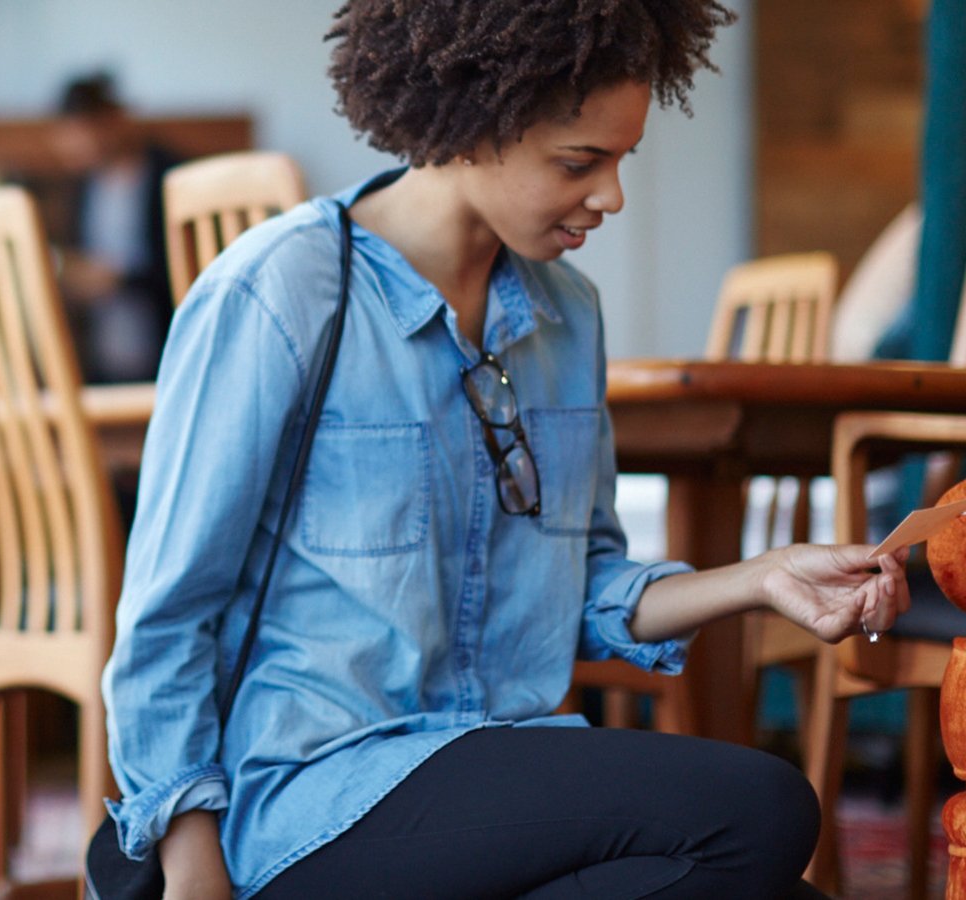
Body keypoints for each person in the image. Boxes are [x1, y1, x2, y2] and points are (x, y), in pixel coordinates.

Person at [101, 2, 909, 898]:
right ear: (472, 119)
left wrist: (761, 579)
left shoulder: (567, 313)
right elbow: (168, 616)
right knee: (759, 809)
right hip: (311, 796)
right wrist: (191, 866)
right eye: (579, 162)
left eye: (621, 159)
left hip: (487, 782)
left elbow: (586, 586)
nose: (611, 197)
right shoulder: (279, 292)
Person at [52, 71, 177, 384]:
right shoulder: (83, 187)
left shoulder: (172, 178)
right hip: (103, 363)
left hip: (167, 356)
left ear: (113, 120)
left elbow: (189, 269)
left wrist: (119, 280)